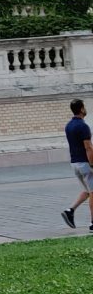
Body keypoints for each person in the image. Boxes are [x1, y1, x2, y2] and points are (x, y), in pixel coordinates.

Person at [62, 98, 93, 231]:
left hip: (75, 163)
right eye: (84, 107)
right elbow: (88, 147)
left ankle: (70, 211)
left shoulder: (68, 125)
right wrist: (92, 163)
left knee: (86, 191)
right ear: (81, 109)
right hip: (85, 163)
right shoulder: (83, 126)